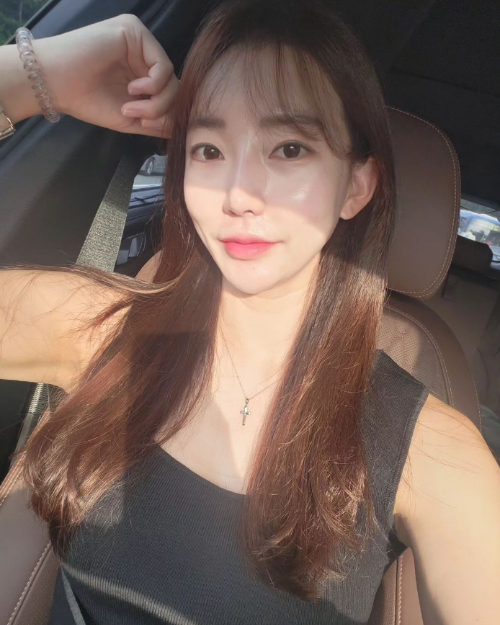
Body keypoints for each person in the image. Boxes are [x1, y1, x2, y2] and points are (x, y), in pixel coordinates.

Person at [0, 1, 499, 624]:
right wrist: (32, 76)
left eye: (289, 148)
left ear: (356, 187)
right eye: (208, 149)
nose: (237, 193)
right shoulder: (96, 326)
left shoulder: (434, 452)